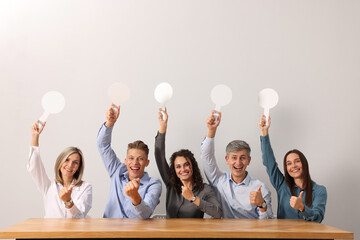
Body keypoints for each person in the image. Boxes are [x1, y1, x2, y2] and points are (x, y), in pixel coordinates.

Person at [200, 110, 274, 219]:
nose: (238, 163)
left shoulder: (260, 188)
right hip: (223, 234)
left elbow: (268, 225)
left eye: (242, 158)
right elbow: (206, 157)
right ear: (227, 159)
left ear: (249, 160)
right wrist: (212, 130)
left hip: (249, 235)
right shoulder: (218, 180)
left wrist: (262, 205)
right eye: (234, 158)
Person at [97, 104, 162, 218]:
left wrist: (135, 196)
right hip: (108, 232)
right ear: (126, 161)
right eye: (131, 158)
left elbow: (146, 214)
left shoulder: (153, 184)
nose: (135, 163)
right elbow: (103, 146)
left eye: (140, 159)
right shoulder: (116, 171)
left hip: (134, 234)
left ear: (147, 163)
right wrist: (110, 123)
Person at [154, 109, 222, 218]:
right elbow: (159, 156)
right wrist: (163, 127)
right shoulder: (171, 184)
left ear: (193, 166)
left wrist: (193, 198)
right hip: (169, 234)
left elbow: (218, 212)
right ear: (174, 170)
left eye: (186, 164)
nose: (183, 169)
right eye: (178, 166)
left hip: (193, 234)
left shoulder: (204, 189)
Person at [258, 115, 327, 222]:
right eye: (288, 163)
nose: (293, 166)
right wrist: (264, 132)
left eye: (297, 161)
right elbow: (269, 162)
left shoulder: (319, 190)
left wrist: (302, 208)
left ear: (304, 163)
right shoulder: (281, 185)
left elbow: (318, 217)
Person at [28, 121, 92, 218]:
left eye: (75, 162)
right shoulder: (48, 184)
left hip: (73, 233)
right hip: (51, 232)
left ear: (79, 167)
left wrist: (68, 202)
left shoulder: (85, 187)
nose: (70, 165)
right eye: (67, 160)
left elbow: (80, 217)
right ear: (60, 162)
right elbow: (34, 166)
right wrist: (35, 137)